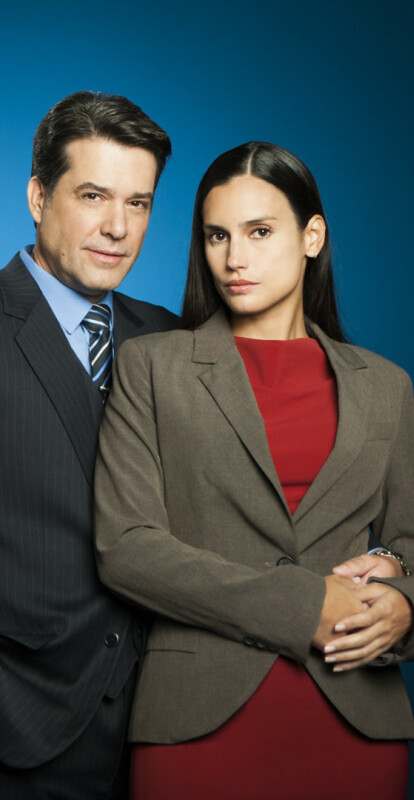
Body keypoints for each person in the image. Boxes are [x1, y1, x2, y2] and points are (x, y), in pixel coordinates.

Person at [94, 142, 414, 800]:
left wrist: (407, 607)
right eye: (218, 236)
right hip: (197, 720)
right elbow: (127, 550)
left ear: (312, 236)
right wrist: (306, 605)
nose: (235, 258)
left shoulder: (385, 387)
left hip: (356, 720)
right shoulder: (151, 366)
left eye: (259, 232)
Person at [0, 91, 179, 799]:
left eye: (138, 203)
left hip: (160, 725)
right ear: (38, 196)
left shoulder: (171, 338)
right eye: (94, 196)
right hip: (19, 726)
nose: (117, 227)